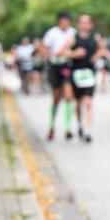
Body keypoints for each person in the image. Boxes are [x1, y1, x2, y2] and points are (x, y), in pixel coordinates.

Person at [63, 14, 103, 144]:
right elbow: (62, 52)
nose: (85, 25)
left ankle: (88, 130)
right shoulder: (73, 39)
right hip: (76, 75)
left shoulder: (95, 38)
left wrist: (96, 56)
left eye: (87, 23)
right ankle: (80, 124)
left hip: (89, 74)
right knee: (78, 103)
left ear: (91, 25)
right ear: (78, 24)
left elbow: (103, 49)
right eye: (82, 23)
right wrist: (75, 54)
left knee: (88, 102)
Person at [41, 12, 76, 141]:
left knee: (68, 96)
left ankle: (68, 128)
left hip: (66, 66)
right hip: (54, 67)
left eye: (67, 21)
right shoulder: (52, 33)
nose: (65, 23)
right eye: (63, 21)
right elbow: (43, 48)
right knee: (56, 99)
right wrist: (50, 54)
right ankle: (52, 125)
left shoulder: (73, 32)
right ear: (59, 22)